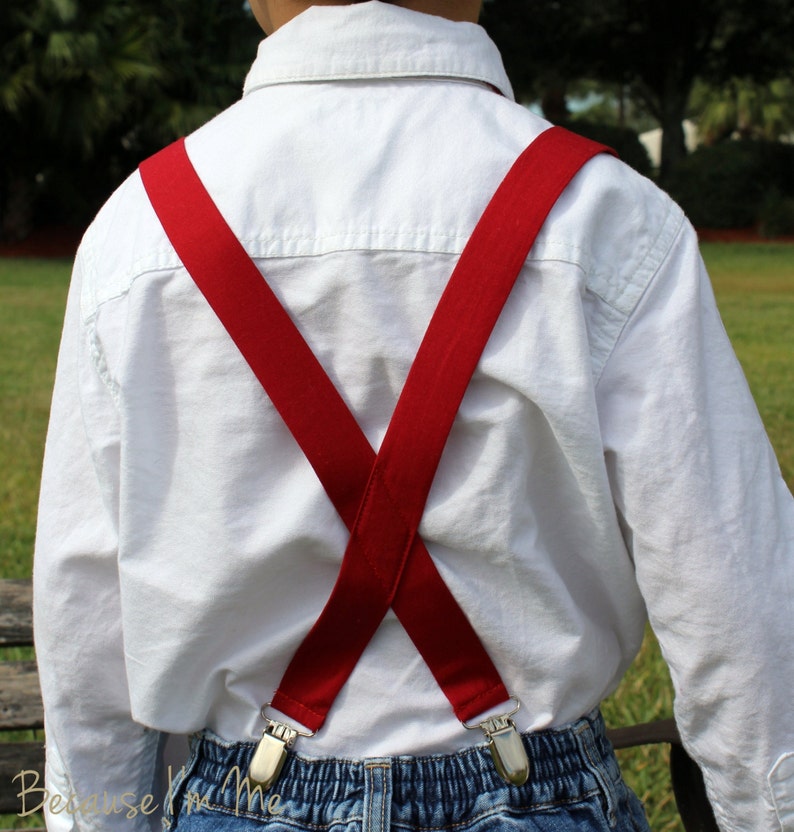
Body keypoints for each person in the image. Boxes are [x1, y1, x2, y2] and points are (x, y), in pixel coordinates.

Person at [33, 1, 794, 830]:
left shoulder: (139, 232)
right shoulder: (608, 217)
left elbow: (86, 620)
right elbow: (738, 604)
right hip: (539, 792)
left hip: (243, 793)